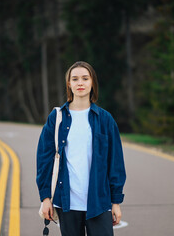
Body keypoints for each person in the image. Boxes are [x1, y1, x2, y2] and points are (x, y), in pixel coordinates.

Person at [36, 61, 126, 236]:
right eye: (75, 79)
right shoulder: (57, 118)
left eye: (85, 78)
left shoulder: (105, 119)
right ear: (69, 83)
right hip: (67, 203)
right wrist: (45, 198)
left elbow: (115, 163)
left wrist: (116, 201)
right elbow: (44, 160)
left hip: (99, 201)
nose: (80, 83)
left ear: (92, 83)